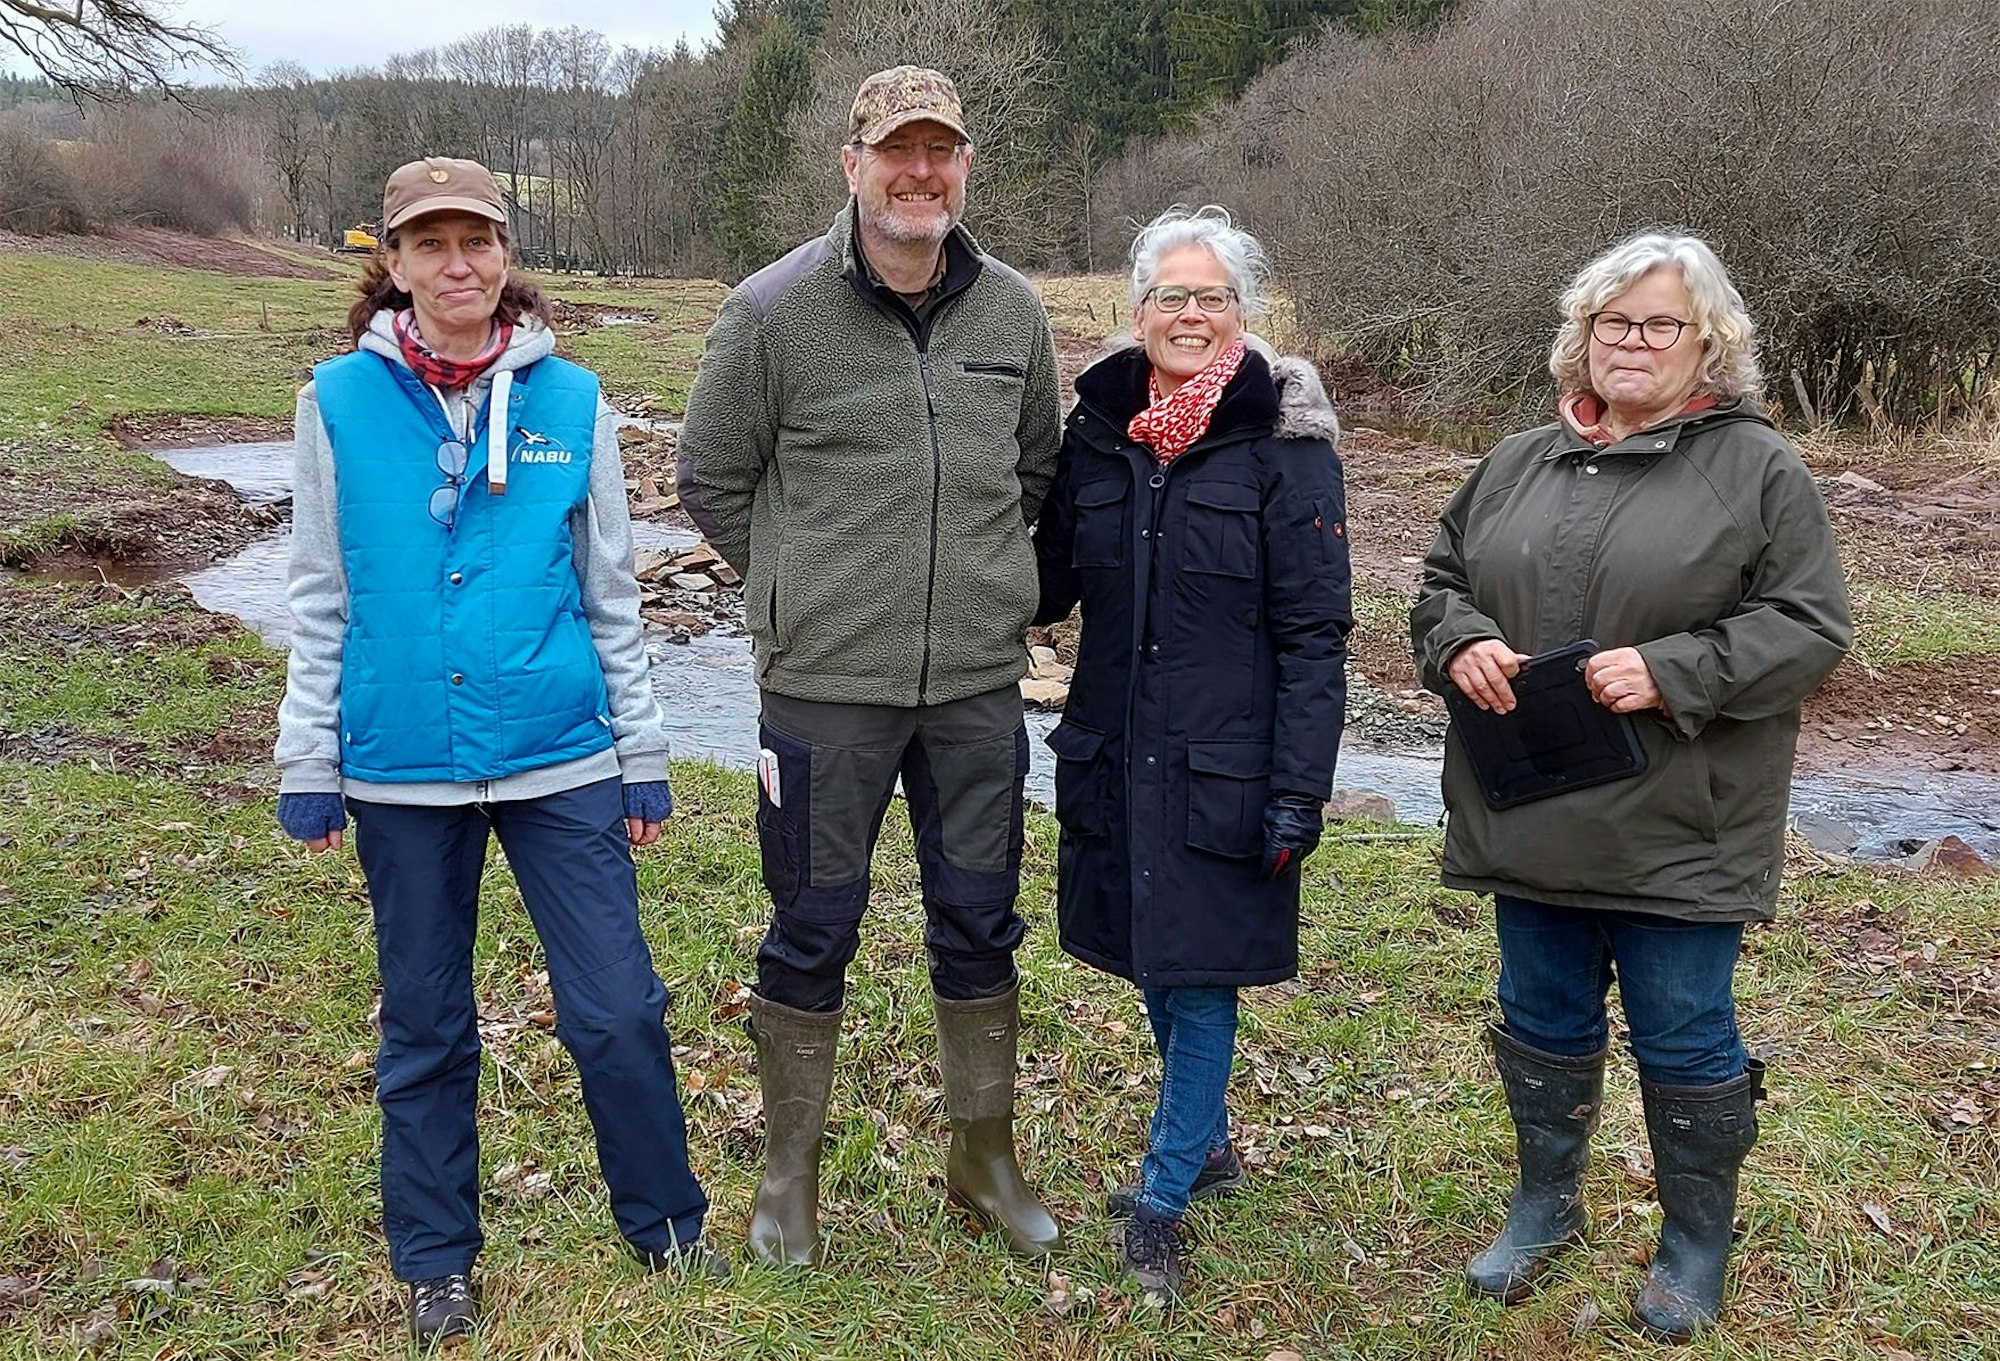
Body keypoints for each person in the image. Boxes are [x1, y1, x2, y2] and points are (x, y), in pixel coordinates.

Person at [273, 156, 720, 1344]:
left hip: (560, 751)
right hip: (399, 762)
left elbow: (610, 591)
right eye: (430, 244)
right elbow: (320, 592)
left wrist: (643, 752)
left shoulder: (572, 400)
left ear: (507, 255)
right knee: (425, 1019)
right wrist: (305, 758)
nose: (456, 264)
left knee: (618, 1006)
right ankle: (435, 1256)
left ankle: (665, 1221)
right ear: (396, 264)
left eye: (476, 240)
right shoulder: (333, 400)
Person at [1410, 231, 1851, 1342]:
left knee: (1683, 1033)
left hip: (1681, 822)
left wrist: (1670, 669)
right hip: (1529, 806)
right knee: (1542, 1015)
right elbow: (1437, 579)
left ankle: (1693, 1240)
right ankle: (1542, 1204)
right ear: (1581, 335)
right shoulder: (1515, 459)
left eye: (1659, 324)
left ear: (1707, 342)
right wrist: (1456, 637)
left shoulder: (1757, 468)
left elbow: (1808, 626)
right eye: (1613, 323)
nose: (1631, 344)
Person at [675, 67, 1062, 1266]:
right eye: (897, 151)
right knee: (811, 921)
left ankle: (980, 1158)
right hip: (821, 690)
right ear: (851, 164)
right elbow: (709, 477)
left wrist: (983, 590)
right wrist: (795, 586)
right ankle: (788, 1173)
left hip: (973, 691)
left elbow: (1034, 472)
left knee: (979, 920)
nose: (919, 172)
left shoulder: (1013, 312)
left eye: (940, 151)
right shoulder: (770, 312)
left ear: (963, 167)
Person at [1031, 205, 1351, 1303]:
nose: (1189, 313)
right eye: (1170, 294)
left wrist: (1297, 789)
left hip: (1228, 765)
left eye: (1211, 296)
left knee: (1200, 980)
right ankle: (1207, 1141)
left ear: (1242, 316)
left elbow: (1314, 635)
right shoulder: (1098, 431)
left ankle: (1162, 1200)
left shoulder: (1284, 448)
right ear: (1134, 312)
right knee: (1151, 961)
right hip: (1118, 752)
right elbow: (1046, 584)